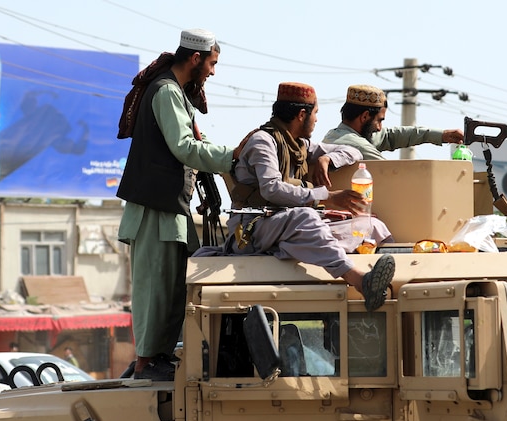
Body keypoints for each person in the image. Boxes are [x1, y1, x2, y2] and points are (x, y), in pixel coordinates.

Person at [196, 82, 394, 311]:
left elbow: (354, 151)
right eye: (316, 113)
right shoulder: (263, 141)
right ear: (302, 114)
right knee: (306, 219)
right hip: (253, 228)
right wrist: (326, 197)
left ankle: (388, 287)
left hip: (284, 224)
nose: (317, 120)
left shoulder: (300, 146)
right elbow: (272, 188)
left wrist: (327, 159)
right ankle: (360, 280)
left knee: (371, 225)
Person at [116, 28, 242, 381]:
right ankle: (145, 363)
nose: (213, 72)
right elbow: (185, 148)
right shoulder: (166, 91)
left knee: (175, 287)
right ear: (196, 58)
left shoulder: (176, 94)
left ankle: (158, 357)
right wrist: (233, 157)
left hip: (171, 209)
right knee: (155, 288)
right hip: (153, 210)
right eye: (212, 64)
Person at [322, 84, 464, 160]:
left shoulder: (339, 134)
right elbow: (392, 173)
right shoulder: (356, 145)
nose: (379, 128)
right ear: (365, 116)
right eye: (379, 121)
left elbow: (390, 136)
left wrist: (442, 135)